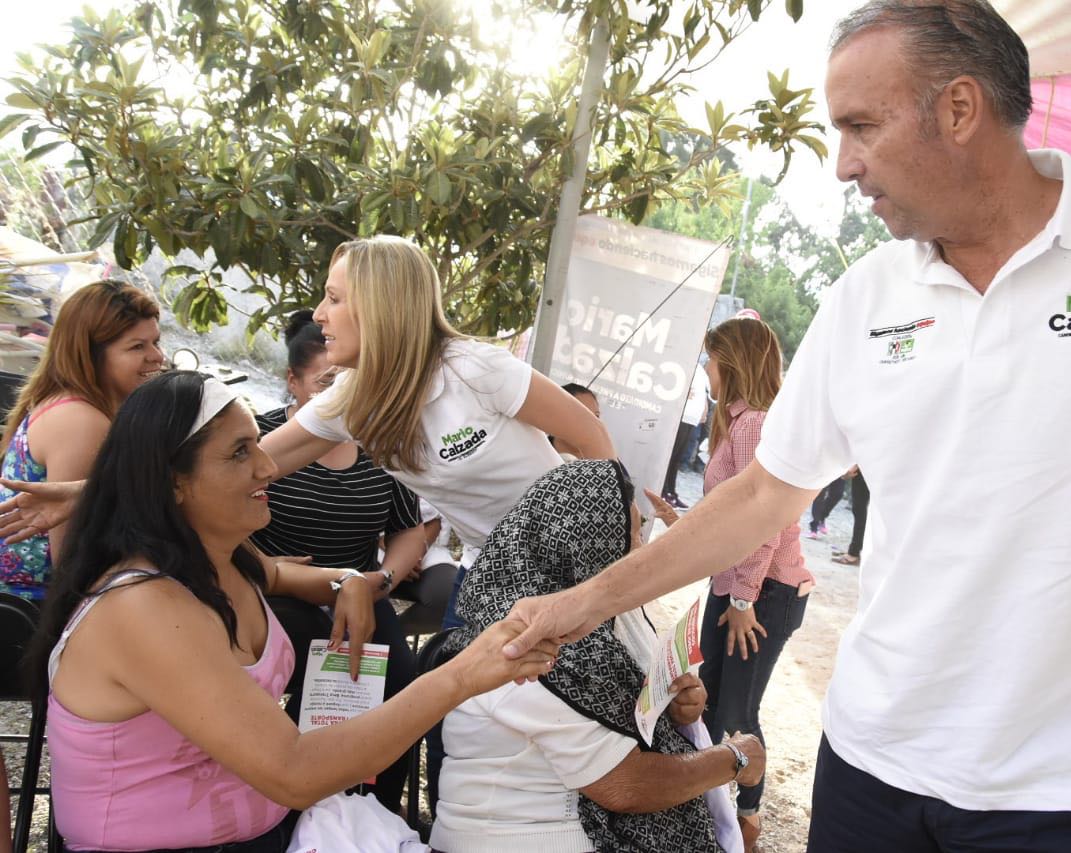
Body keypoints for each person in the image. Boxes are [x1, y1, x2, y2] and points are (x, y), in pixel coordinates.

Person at [499, 3, 1071, 852]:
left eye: (860, 126)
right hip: (869, 762)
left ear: (959, 109)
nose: (842, 165)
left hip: (1063, 790)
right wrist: (587, 601)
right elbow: (765, 490)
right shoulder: (867, 295)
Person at [25, 371, 557, 852]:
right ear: (173, 482)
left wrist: (347, 581)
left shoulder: (225, 557)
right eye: (239, 453)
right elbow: (295, 772)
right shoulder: (143, 606)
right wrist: (464, 673)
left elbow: (277, 575)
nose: (267, 465)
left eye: (258, 443)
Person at [0, 235, 615, 631]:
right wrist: (94, 490)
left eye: (334, 298)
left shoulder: (473, 367)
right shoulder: (355, 396)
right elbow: (252, 460)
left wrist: (615, 553)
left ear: (382, 307)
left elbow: (590, 441)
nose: (318, 315)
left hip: (577, 560)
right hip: (497, 569)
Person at [431, 459, 761, 853]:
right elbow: (625, 785)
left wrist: (677, 712)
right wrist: (735, 758)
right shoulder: (528, 641)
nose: (641, 552)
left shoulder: (599, 622)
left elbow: (629, 716)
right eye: (632, 535)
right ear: (588, 543)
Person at [645, 317, 812, 851]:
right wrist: (683, 526)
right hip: (738, 590)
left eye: (710, 360)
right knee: (714, 704)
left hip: (761, 595)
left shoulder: (757, 424)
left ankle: (749, 818)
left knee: (737, 711)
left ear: (731, 362)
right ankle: (721, 811)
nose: (706, 370)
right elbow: (730, 513)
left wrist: (742, 599)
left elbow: (768, 521)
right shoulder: (740, 423)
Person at [251, 309, 426, 813]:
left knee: (400, 685)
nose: (338, 396)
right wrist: (259, 564)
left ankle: (372, 815)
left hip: (359, 597)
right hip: (279, 595)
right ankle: (291, 807)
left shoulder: (381, 447)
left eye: (348, 382)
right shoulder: (262, 441)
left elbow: (408, 528)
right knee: (305, 678)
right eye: (325, 382)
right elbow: (214, 506)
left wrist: (384, 577)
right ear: (292, 382)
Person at [0, 279, 162, 601]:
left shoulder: (75, 402)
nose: (157, 356)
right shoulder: (81, 421)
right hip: (30, 607)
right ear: (92, 355)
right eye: (137, 347)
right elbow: (71, 563)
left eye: (156, 341)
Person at [661, 360, 710, 508]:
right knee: (672, 456)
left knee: (676, 457)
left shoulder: (701, 368)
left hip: (692, 417)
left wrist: (704, 408)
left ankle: (671, 492)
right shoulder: (687, 361)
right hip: (682, 415)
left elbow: (704, 391)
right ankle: (664, 492)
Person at [548, 382, 601, 461]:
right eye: (582, 416)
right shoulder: (534, 457)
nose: (592, 424)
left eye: (596, 416)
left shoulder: (604, 466)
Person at [831, 466, 870, 566]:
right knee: (862, 509)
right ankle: (857, 550)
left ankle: (854, 553)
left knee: (860, 509)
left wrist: (852, 467)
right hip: (871, 466)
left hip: (867, 467)